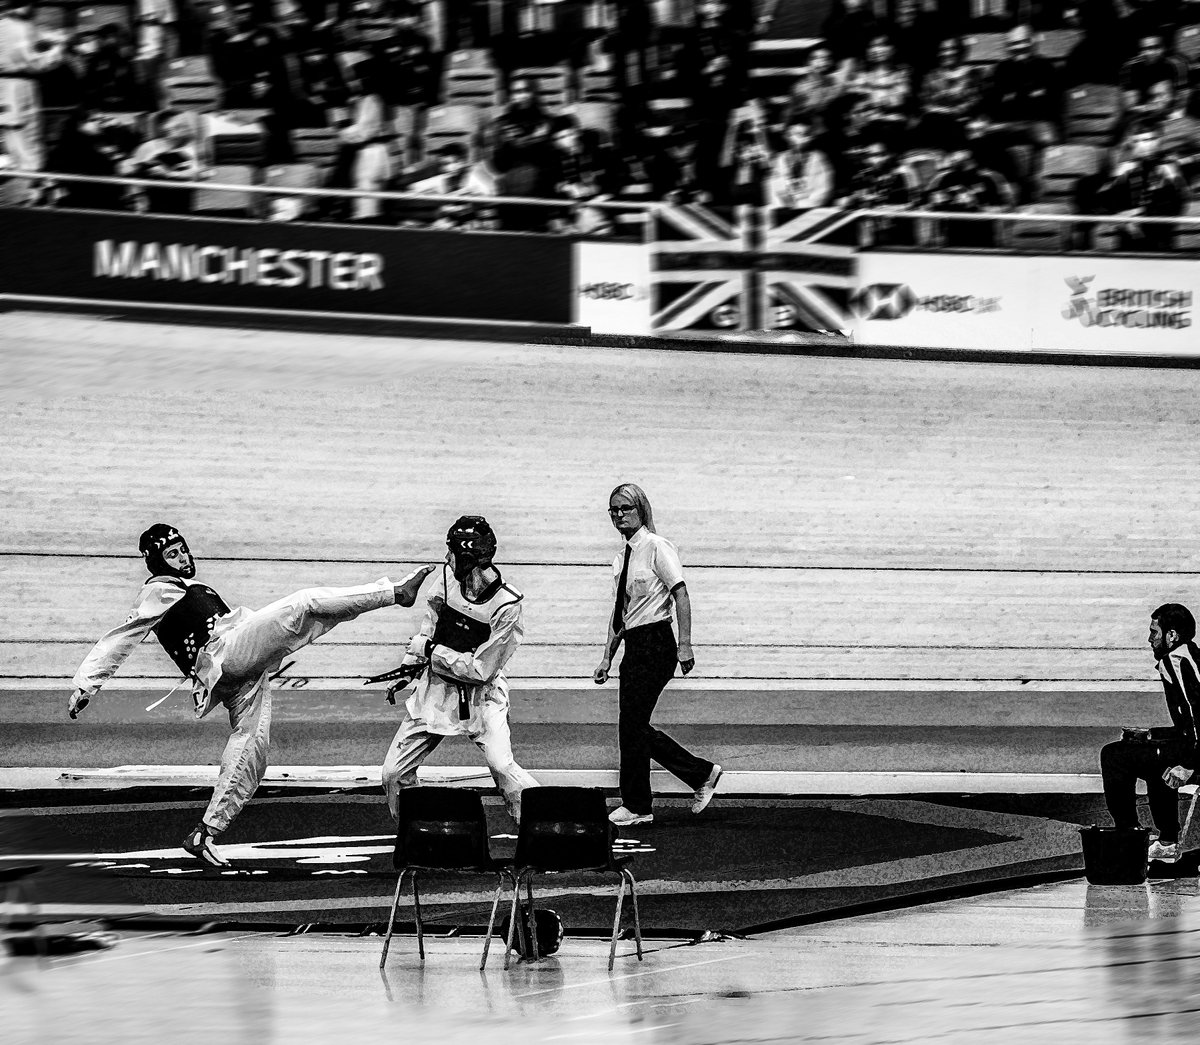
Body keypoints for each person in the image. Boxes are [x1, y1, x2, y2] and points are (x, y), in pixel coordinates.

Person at [69, 523, 434, 867]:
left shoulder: (191, 588)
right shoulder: (158, 589)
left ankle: (206, 831)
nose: (183, 559)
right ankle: (396, 593)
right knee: (304, 604)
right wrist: (87, 683)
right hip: (227, 654)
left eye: (183, 551)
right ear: (157, 561)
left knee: (251, 749)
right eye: (173, 554)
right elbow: (124, 636)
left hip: (238, 675)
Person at [380, 516, 538, 824]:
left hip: (481, 699)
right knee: (393, 774)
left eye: (450, 551)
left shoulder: (507, 605)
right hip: (435, 693)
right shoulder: (445, 582)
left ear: (465, 557)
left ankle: (547, 826)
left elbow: (481, 670)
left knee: (503, 768)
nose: (446, 558)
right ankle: (417, 833)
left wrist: (431, 652)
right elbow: (430, 625)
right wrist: (409, 667)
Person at [593, 483, 721, 827]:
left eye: (625, 509)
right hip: (634, 644)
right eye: (614, 510)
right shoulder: (623, 557)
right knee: (630, 727)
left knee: (632, 726)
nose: (619, 516)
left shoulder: (656, 548)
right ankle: (648, 799)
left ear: (641, 510)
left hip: (656, 642)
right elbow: (621, 612)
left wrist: (685, 643)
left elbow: (680, 593)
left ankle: (690, 778)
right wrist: (607, 656)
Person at [1100, 603, 1200, 863]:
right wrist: (1150, 735)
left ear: (1172, 635)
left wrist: (1191, 766)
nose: (1150, 639)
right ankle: (1167, 840)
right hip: (1191, 745)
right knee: (1156, 754)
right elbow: (1188, 727)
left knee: (1114, 755)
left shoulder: (1176, 661)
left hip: (1196, 755)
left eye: (1154, 632)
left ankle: (1129, 837)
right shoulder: (1190, 655)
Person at [0, 0, 67, 203]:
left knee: (19, 143)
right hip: (18, 88)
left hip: (10, 88)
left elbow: (36, 41)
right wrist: (58, 49)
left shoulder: (9, 24)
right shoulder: (18, 27)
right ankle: (28, 196)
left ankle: (28, 192)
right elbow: (35, 62)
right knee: (26, 145)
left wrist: (50, 40)